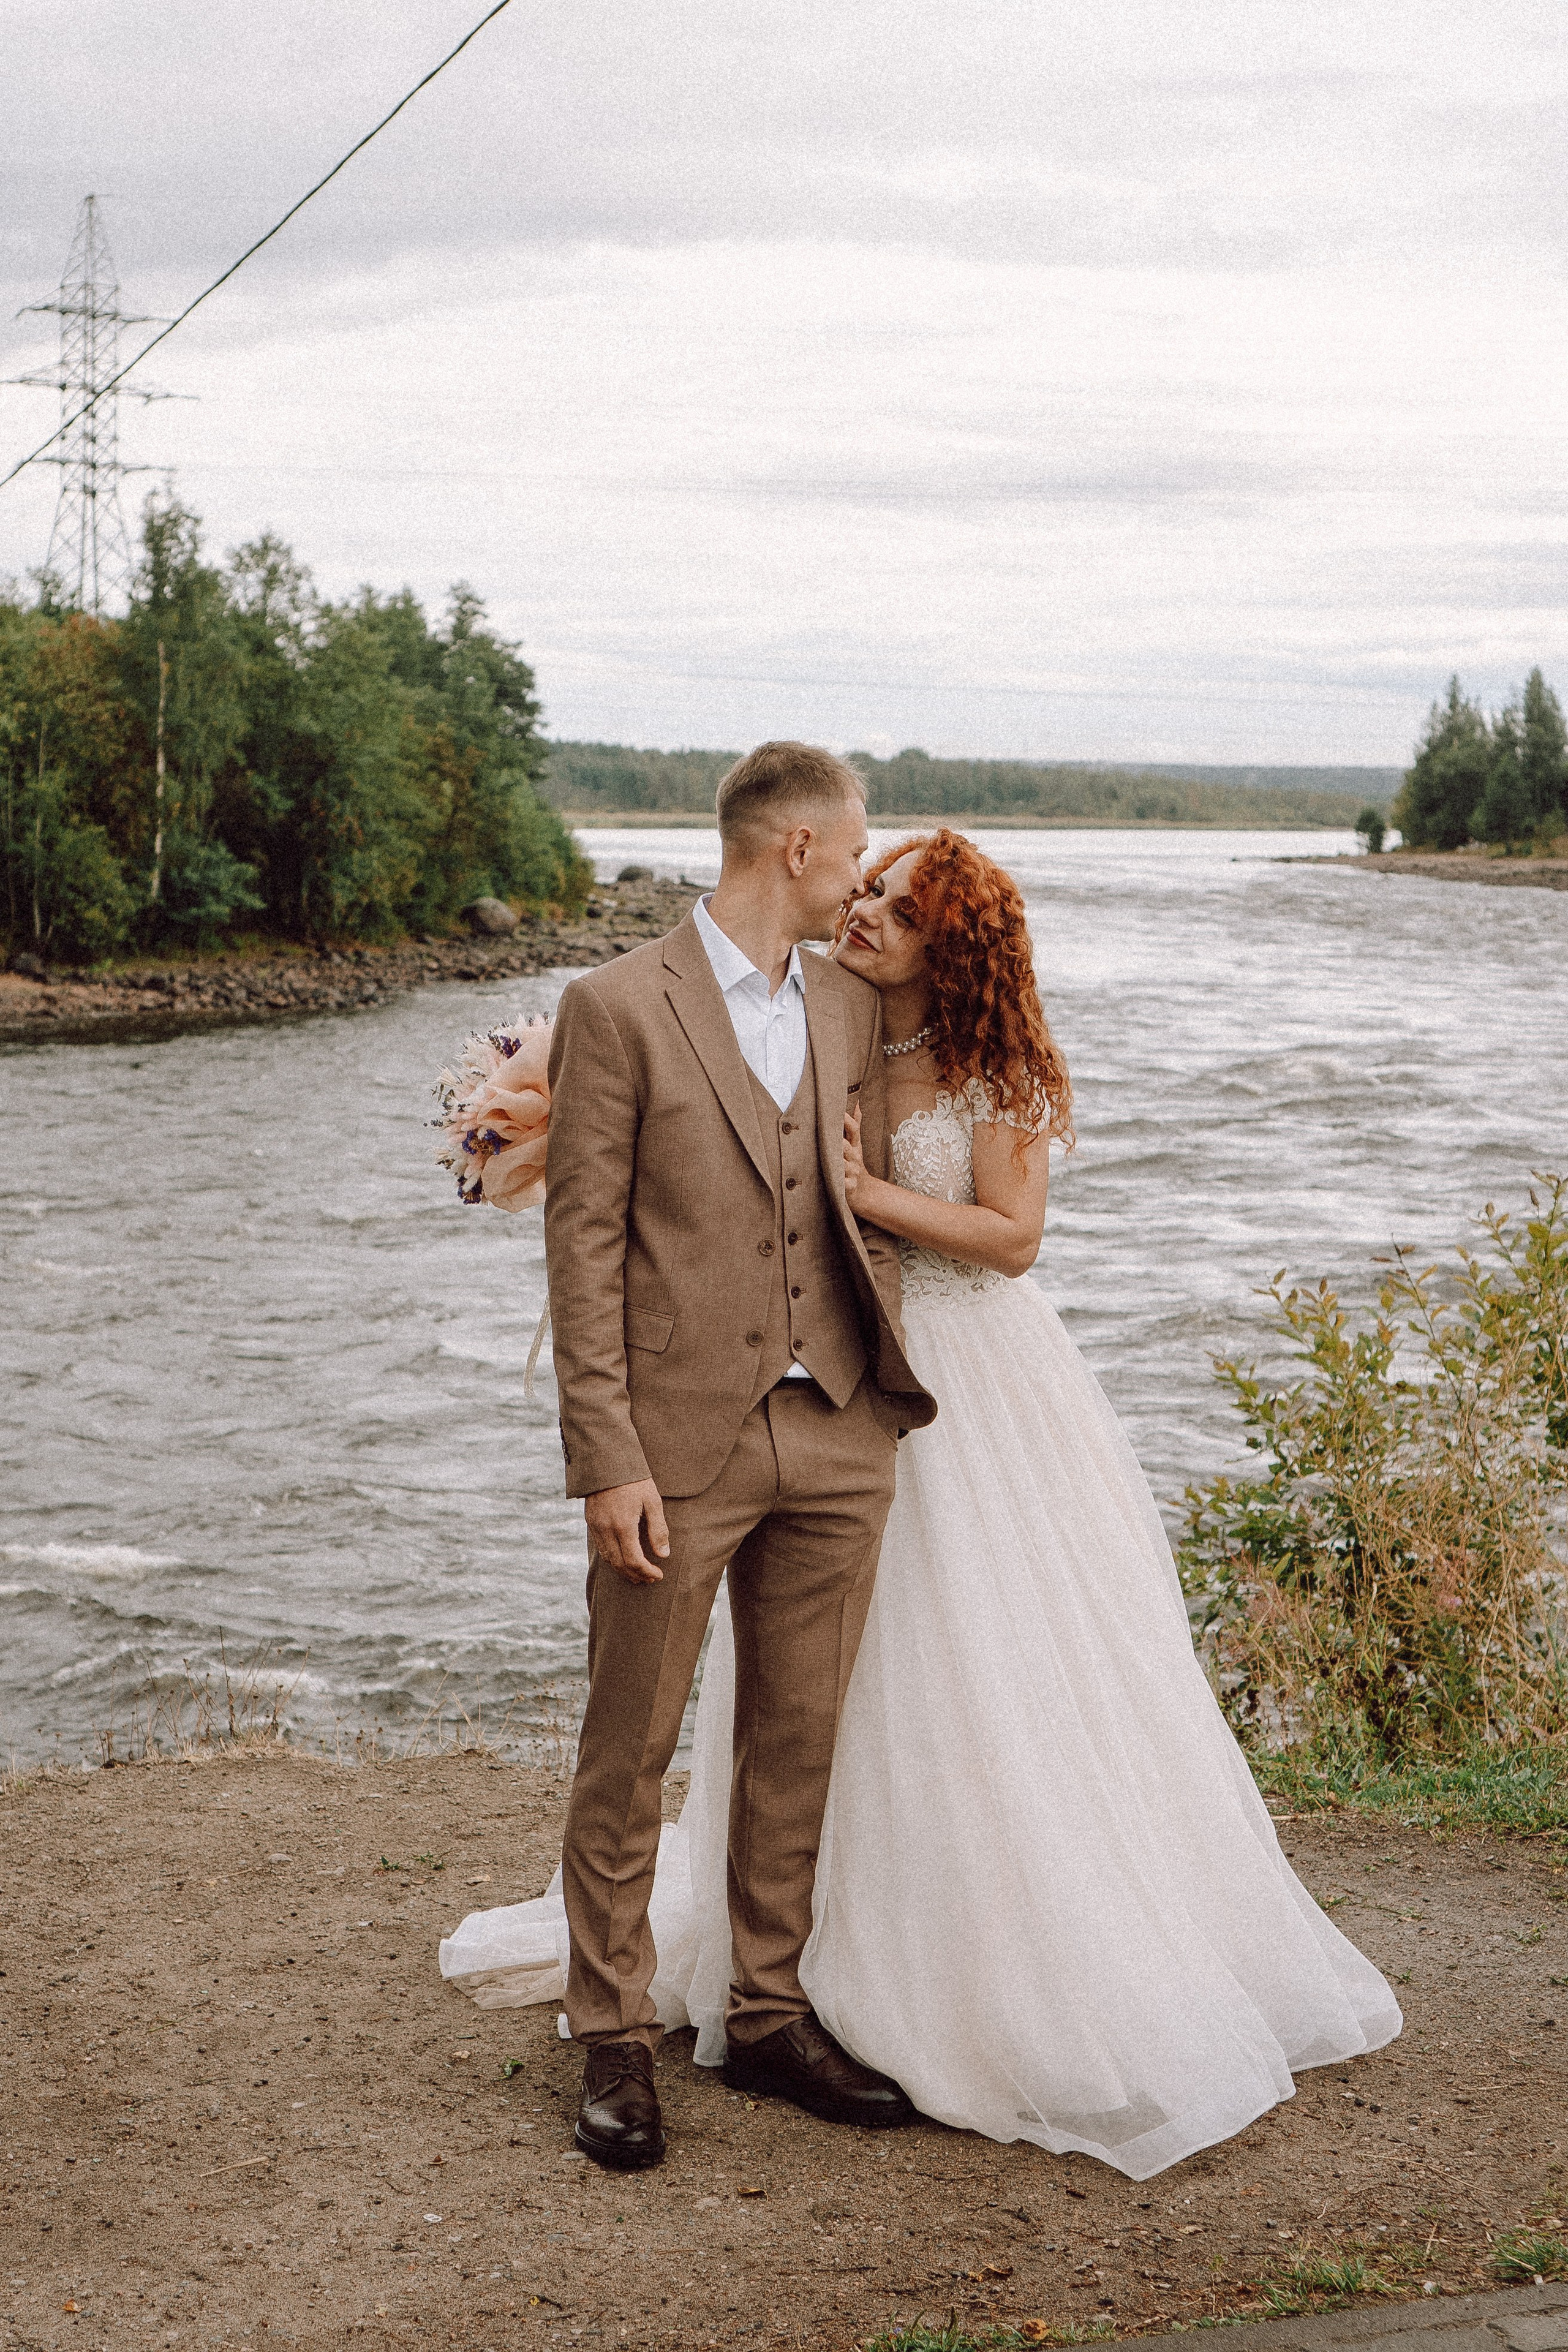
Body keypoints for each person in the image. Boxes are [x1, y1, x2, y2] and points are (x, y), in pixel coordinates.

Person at [440, 824, 1401, 2184]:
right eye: (866, 884)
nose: (868, 909)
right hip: (792, 1396)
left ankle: (935, 1974)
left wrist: (865, 1189)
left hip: (964, 1390)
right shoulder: (807, 1010)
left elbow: (1010, 1241)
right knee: (753, 1711)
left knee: (959, 1683)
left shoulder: (991, 1061)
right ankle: (711, 2005)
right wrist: (546, 1119)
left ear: (952, 941)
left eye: (896, 900)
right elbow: (683, 1144)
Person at [537, 742, 935, 2171]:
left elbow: (879, 1189)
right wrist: (606, 1456)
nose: (862, 871)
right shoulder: (614, 1006)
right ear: (795, 852)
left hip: (835, 1424)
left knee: (799, 1736)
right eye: (854, 849)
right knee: (628, 1747)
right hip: (675, 1444)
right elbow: (579, 1245)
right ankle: (612, 2036)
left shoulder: (845, 1000)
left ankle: (767, 2017)